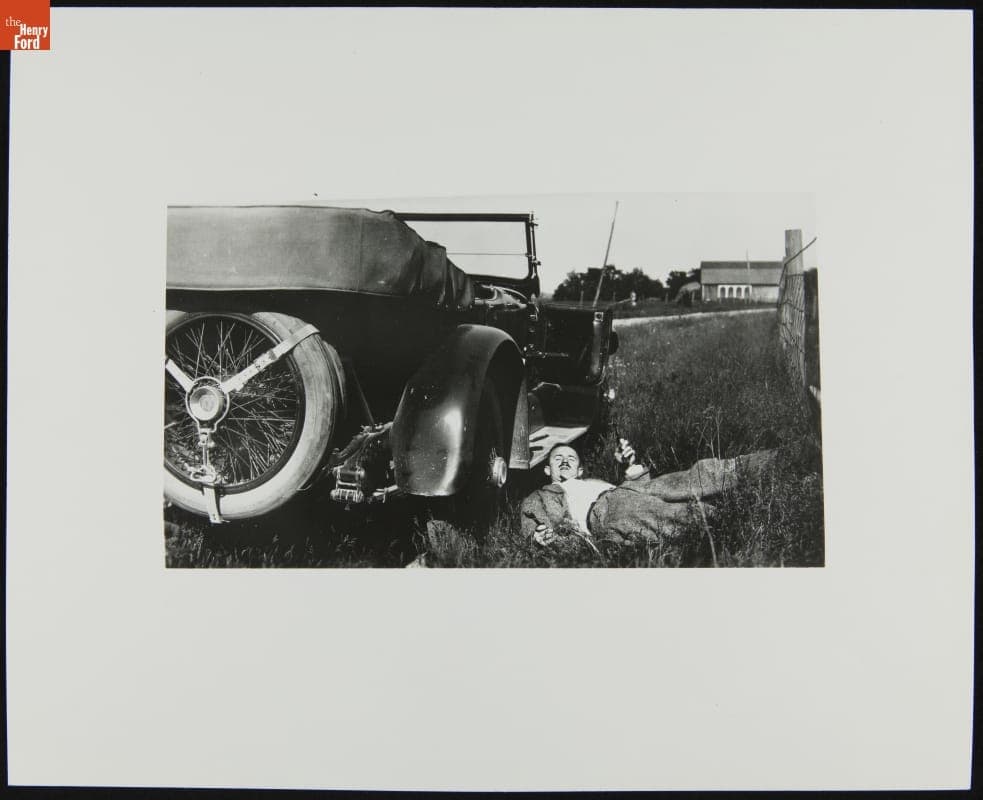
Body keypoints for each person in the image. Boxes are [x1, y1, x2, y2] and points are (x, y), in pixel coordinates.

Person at [520, 440, 776, 546]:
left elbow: (635, 488)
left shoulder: (592, 482)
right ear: (547, 469)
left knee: (696, 476)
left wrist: (630, 465)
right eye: (558, 459)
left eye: (570, 458)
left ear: (580, 469)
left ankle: (771, 461)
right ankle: (744, 519)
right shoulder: (542, 496)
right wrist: (537, 537)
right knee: (678, 517)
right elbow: (532, 522)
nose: (565, 461)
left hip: (625, 491)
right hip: (605, 512)